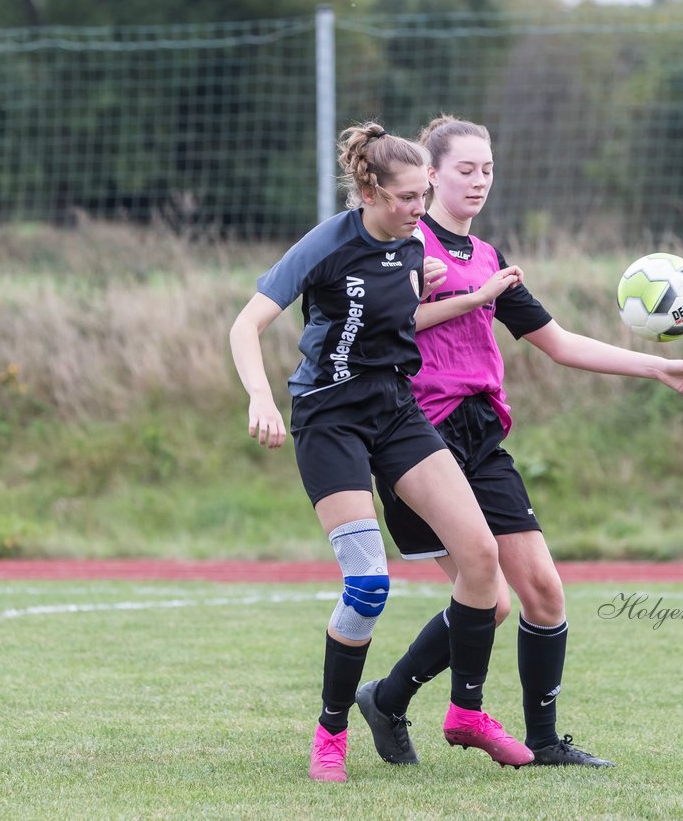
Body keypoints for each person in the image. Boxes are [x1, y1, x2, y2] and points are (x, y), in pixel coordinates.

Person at [354, 115, 683, 769]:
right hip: (418, 441)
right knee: (487, 602)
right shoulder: (404, 250)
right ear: (429, 175)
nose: (479, 180)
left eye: (488, 169)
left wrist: (655, 366)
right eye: (465, 169)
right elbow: (380, 319)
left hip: (481, 439)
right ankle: (396, 699)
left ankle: (538, 742)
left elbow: (561, 343)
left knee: (543, 592)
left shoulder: (488, 259)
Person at [229, 121, 535, 783]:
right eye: (405, 199)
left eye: (424, 196)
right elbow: (246, 324)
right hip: (330, 420)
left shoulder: (413, 245)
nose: (419, 211)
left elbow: (397, 318)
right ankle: (331, 732)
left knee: (482, 561)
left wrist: (449, 291)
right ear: (369, 192)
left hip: (395, 413)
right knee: (367, 588)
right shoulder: (328, 245)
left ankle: (467, 714)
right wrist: (259, 396)